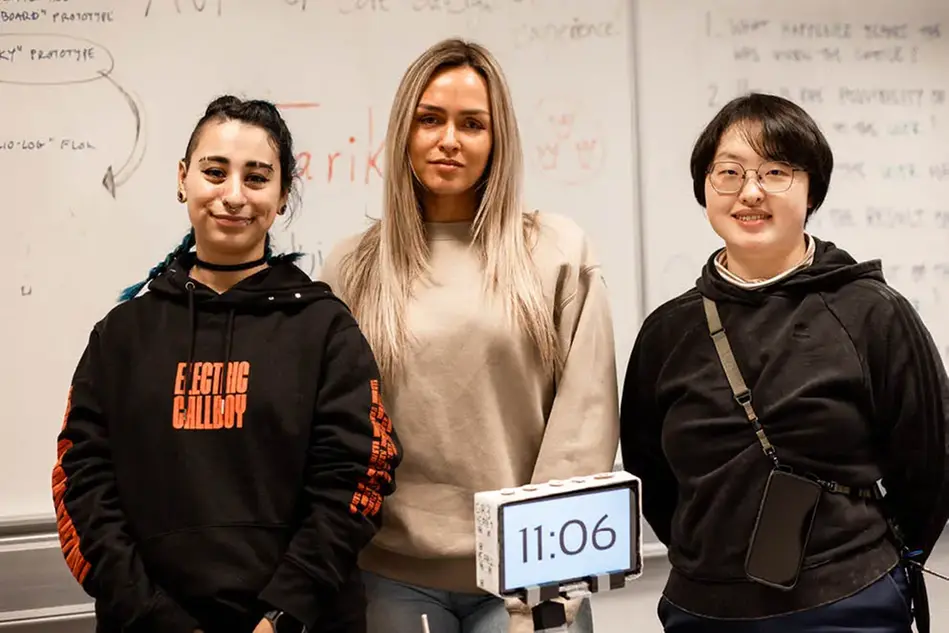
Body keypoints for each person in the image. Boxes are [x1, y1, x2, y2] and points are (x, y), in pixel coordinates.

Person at [51, 95, 402, 633]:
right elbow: (82, 485)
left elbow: (356, 480)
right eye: (215, 172)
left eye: (257, 178)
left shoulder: (326, 329)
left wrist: (281, 616)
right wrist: (153, 616)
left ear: (283, 195)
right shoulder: (121, 335)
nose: (233, 196)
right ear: (183, 178)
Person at [319, 38, 620, 633]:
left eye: (472, 124)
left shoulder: (557, 252)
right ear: (404, 132)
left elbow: (585, 419)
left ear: (497, 139)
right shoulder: (351, 268)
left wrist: (546, 580)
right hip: (390, 575)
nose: (449, 139)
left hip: (529, 574)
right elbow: (335, 434)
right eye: (430, 119)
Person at [620, 92, 949, 632]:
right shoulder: (666, 332)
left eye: (776, 171)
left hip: (848, 604)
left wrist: (866, 568)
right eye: (729, 172)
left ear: (812, 188)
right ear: (705, 187)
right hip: (703, 611)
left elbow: (929, 469)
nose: (750, 191)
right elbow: (652, 479)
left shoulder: (872, 313)